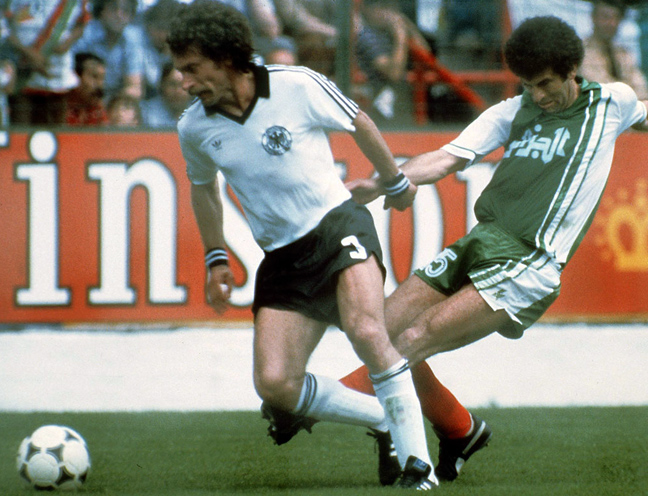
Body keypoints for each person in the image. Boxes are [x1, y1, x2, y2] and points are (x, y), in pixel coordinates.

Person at [272, 14, 648, 483]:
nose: (538, 96)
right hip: (481, 240)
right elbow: (446, 158)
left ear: (573, 70)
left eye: (546, 84)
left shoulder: (612, 102)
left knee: (413, 340)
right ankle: (459, 428)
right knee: (380, 330)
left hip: (529, 260)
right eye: (528, 85)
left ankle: (313, 406)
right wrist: (384, 182)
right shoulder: (513, 111)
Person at [167, 0, 436, 489]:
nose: (183, 82)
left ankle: (420, 467)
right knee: (275, 384)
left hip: (337, 226)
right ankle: (383, 420)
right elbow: (203, 189)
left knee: (366, 331)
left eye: (191, 68)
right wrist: (215, 257)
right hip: (284, 257)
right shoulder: (194, 127)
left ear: (225, 58)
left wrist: (396, 182)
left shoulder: (296, 84)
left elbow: (359, 121)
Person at [4, 0, 90, 125]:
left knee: (55, 131)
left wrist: (68, 42)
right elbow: (3, 26)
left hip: (56, 74)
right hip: (21, 73)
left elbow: (82, 22)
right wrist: (28, 53)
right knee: (21, 128)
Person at [72, 0, 145, 101]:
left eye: (126, 10)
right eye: (113, 8)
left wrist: (111, 104)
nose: (119, 15)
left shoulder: (132, 39)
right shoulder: (85, 33)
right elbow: (70, 72)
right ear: (102, 10)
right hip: (81, 95)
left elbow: (135, 87)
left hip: (113, 100)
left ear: (131, 16)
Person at [580, 0, 648, 100]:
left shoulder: (623, 53)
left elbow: (641, 87)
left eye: (616, 18)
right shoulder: (582, 52)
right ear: (594, 17)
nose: (611, 23)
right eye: (605, 17)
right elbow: (603, 90)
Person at [140, 61, 190, 128]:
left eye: (182, 85)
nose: (178, 91)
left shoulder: (199, 113)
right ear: (162, 85)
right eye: (172, 84)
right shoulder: (145, 113)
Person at [65, 52, 109, 126]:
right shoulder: (60, 105)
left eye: (102, 78)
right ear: (76, 77)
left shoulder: (97, 108)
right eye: (94, 76)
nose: (100, 84)